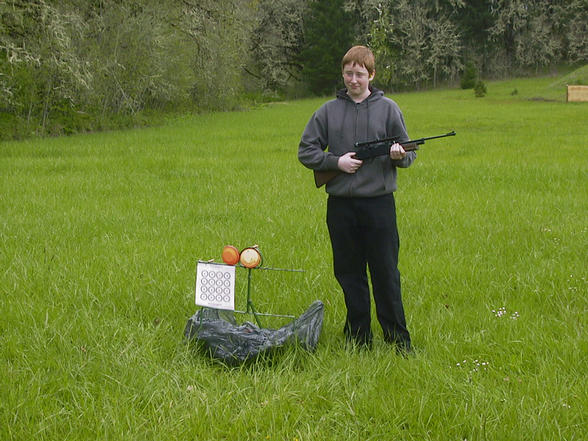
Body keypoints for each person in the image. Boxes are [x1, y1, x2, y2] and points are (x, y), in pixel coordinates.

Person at [298, 45, 414, 352]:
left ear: (371, 75)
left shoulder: (389, 109)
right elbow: (306, 151)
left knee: (385, 272)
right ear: (343, 74)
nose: (353, 80)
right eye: (348, 73)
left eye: (360, 74)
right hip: (341, 207)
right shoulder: (327, 112)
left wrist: (399, 155)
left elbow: (408, 153)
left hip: (379, 205)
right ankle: (358, 338)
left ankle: (398, 340)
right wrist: (336, 163)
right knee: (349, 274)